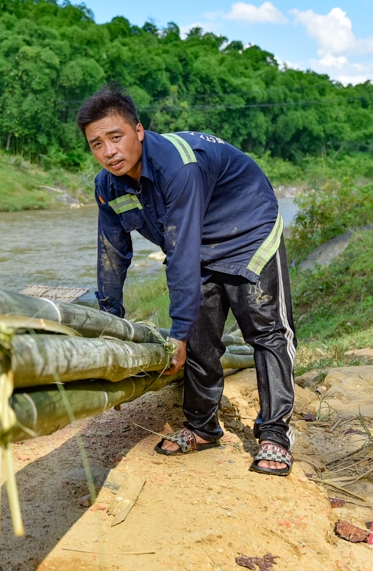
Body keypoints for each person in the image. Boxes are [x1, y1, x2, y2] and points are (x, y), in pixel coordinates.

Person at [78, 84, 296, 476]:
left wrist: (175, 332)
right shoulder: (107, 186)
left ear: (138, 131)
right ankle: (203, 427)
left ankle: (275, 435)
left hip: (246, 229)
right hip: (196, 242)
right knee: (199, 337)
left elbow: (180, 250)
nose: (109, 151)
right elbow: (111, 253)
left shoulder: (179, 166)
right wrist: (111, 324)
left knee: (265, 332)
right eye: (96, 144)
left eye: (116, 137)